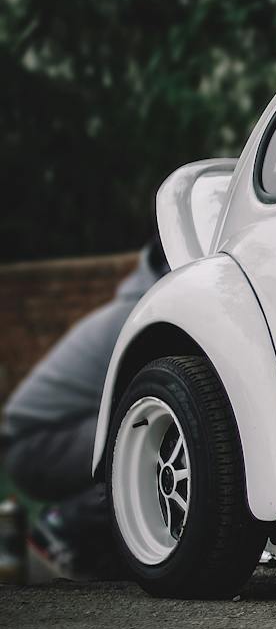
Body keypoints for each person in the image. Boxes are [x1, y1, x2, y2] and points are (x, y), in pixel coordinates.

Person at [2, 239, 168, 578]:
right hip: (35, 443)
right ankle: (60, 529)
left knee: (159, 424)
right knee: (154, 431)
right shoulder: (138, 317)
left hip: (62, 435)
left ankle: (98, 553)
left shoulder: (146, 307)